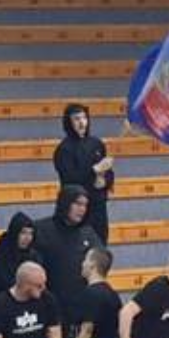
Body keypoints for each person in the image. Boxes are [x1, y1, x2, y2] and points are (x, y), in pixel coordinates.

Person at [32, 185, 104, 326]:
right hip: (50, 304)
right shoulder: (42, 229)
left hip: (80, 304)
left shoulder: (88, 232)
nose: (82, 209)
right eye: (77, 204)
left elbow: (102, 258)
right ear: (65, 203)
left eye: (85, 205)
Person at [51, 104, 113, 243]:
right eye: (77, 119)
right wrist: (94, 171)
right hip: (76, 208)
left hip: (98, 207)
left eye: (84, 118)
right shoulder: (63, 149)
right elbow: (69, 179)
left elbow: (109, 173)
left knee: (100, 246)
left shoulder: (97, 144)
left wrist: (105, 181)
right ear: (69, 123)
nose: (82, 122)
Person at [70, 247, 123, 338]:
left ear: (92, 265)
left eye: (85, 260)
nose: (82, 264)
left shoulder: (91, 294)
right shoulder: (113, 294)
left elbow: (87, 330)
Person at [0, 213, 41, 293]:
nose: (27, 238)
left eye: (31, 233)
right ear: (14, 232)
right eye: (23, 232)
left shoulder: (34, 257)